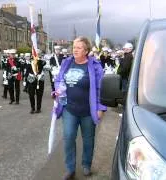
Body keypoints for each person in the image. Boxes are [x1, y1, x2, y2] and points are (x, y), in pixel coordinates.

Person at [53, 37, 107, 179]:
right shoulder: (66, 63)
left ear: (86, 51)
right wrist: (58, 88)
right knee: (69, 137)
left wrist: (100, 107)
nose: (74, 49)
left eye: (78, 47)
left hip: (88, 111)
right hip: (69, 109)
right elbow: (59, 79)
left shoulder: (95, 66)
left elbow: (101, 88)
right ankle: (70, 168)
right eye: (74, 47)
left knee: (88, 139)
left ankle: (86, 164)